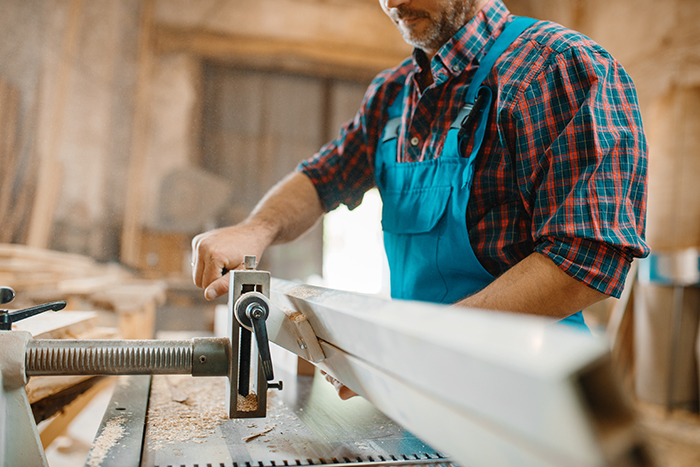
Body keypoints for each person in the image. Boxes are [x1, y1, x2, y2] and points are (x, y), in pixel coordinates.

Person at [192, 0, 650, 334]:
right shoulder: (392, 93)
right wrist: (256, 228)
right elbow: (324, 177)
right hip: (422, 379)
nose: (393, 3)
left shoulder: (558, 67)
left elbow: (588, 258)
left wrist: (416, 346)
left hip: (527, 388)